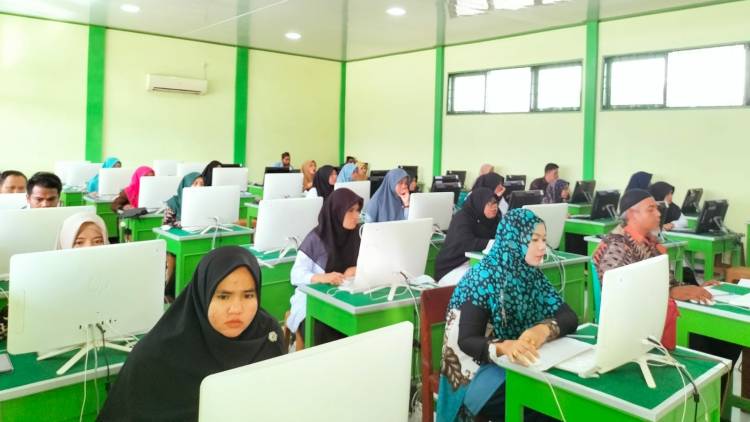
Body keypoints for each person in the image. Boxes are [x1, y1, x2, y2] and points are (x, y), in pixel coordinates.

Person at [98, 246, 285, 421]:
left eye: (248, 295)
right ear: (202, 295)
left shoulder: (266, 336)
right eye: (223, 296)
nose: (236, 309)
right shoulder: (155, 356)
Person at [592, 189, 740, 392]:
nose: (659, 213)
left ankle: (714, 395)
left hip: (655, 314)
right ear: (632, 213)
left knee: (726, 339)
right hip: (637, 325)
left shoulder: (649, 242)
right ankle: (698, 391)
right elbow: (616, 292)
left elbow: (667, 281)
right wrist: (670, 293)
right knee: (713, 338)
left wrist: (693, 288)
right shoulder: (617, 245)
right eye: (651, 209)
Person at [436, 209, 578, 421]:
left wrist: (544, 329)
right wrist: (504, 346)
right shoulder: (482, 278)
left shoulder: (530, 274)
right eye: (534, 240)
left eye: (544, 240)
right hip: (475, 373)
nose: (542, 247)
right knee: (546, 406)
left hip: (515, 362)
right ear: (513, 240)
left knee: (558, 397)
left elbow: (569, 317)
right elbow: (467, 340)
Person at [287, 188, 362, 347]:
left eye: (358, 210)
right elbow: (296, 274)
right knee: (325, 336)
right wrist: (322, 277)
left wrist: (357, 269)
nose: (356, 215)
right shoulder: (316, 238)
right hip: (312, 302)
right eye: (350, 210)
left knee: (361, 332)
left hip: (347, 299)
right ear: (337, 211)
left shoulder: (358, 235)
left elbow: (370, 262)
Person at [434, 188, 500, 285]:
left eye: (495, 203)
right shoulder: (462, 217)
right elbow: (467, 243)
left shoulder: (493, 220)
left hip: (474, 263)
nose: (494, 207)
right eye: (489, 204)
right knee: (483, 280)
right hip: (451, 268)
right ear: (480, 203)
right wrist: (492, 243)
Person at [163, 172, 205, 295]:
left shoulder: (206, 201)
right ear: (185, 185)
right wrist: (183, 224)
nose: (199, 187)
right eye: (195, 183)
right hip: (178, 240)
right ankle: (173, 291)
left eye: (202, 184)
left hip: (198, 237)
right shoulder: (174, 202)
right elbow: (167, 223)